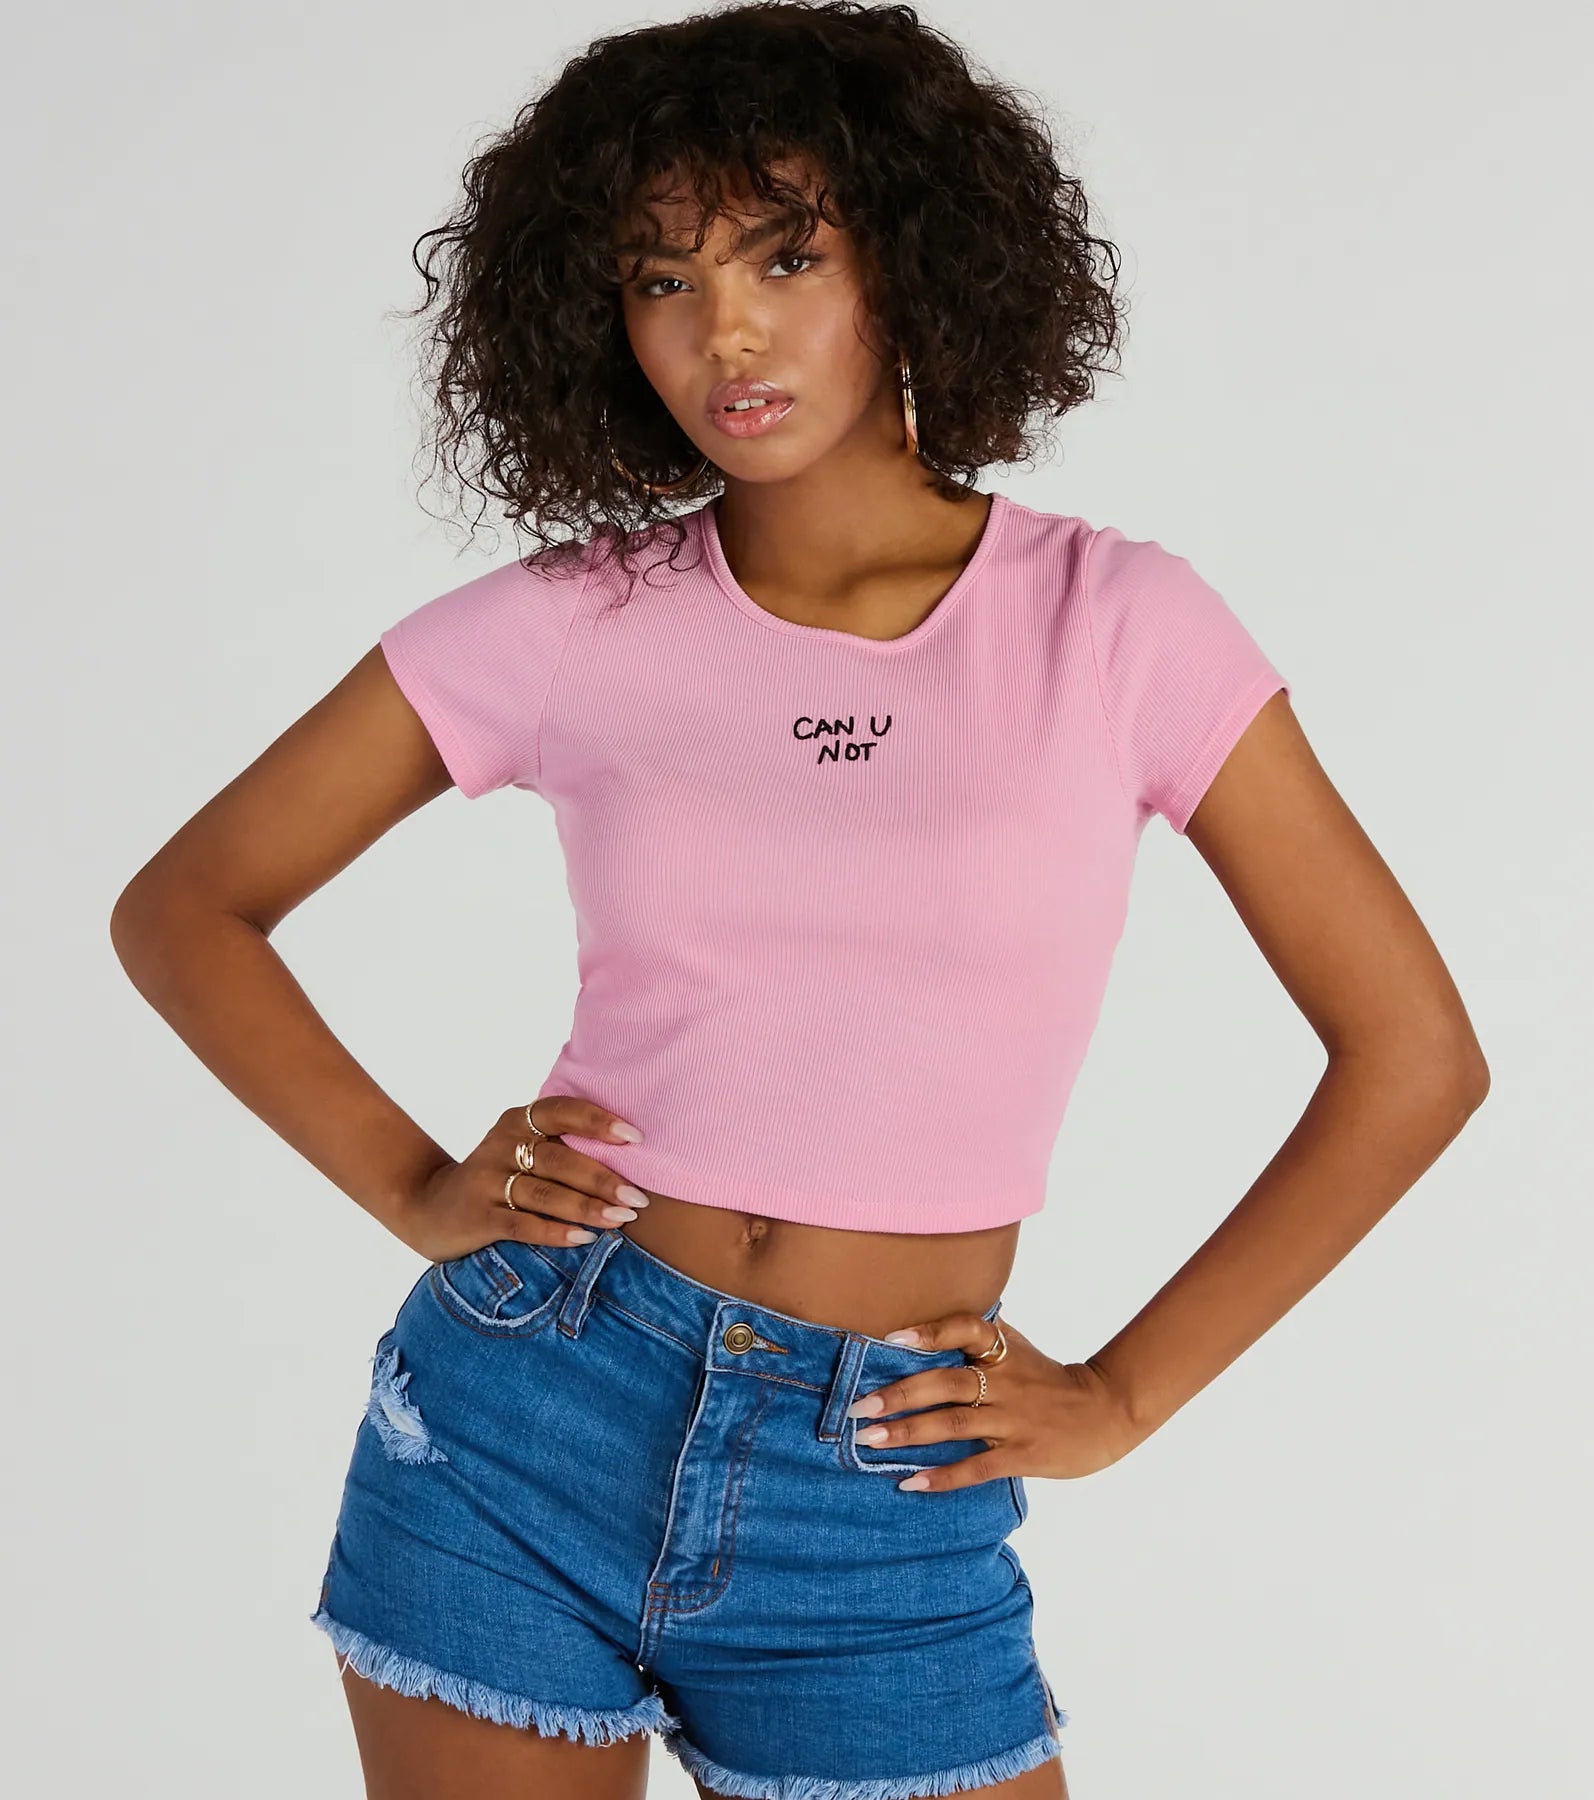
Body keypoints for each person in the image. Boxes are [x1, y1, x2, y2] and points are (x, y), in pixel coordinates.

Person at [109, 4, 1490, 1797]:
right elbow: (189, 905)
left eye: (784, 257)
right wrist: (413, 1187)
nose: (726, 332)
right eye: (661, 278)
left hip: (884, 1482)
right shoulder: (574, 620)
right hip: (529, 1411)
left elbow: (1412, 1055)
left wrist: (1123, 1394)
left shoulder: (1116, 627)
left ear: (910, 257)